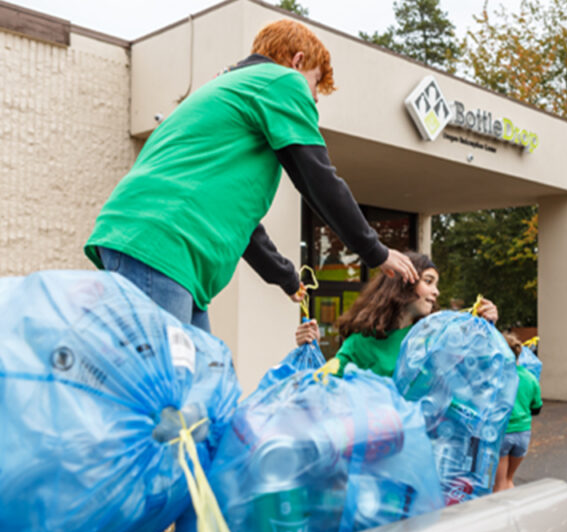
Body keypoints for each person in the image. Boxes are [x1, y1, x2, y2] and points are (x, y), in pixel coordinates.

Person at [84, 19, 417, 332]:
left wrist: (285, 276)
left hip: (160, 245)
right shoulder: (281, 81)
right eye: (314, 85)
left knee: (202, 384)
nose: (312, 101)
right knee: (160, 386)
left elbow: (241, 221)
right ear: (297, 62)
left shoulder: (232, 89)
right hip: (163, 245)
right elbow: (317, 177)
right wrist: (376, 251)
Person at [295, 252, 498, 378]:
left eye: (436, 284)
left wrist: (488, 327)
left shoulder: (435, 338)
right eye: (428, 281)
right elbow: (326, 386)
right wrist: (311, 349)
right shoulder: (360, 343)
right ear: (404, 282)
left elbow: (473, 373)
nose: (436, 292)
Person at [493, 331, 542, 492]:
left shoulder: (495, 378)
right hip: (523, 435)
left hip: (503, 434)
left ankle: (501, 516)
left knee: (499, 485)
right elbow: (536, 408)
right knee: (508, 479)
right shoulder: (530, 377)